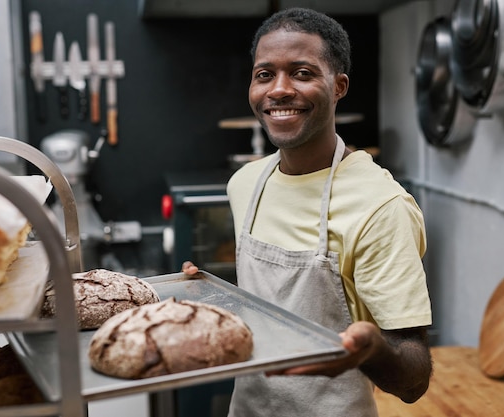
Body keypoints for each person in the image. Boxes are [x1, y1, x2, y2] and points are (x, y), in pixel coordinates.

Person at [183, 7, 432, 416]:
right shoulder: (244, 184)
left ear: (339, 86)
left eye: (302, 73)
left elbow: (414, 378)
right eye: (265, 74)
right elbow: (269, 309)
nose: (278, 90)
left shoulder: (381, 207)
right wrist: (206, 297)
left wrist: (370, 350)